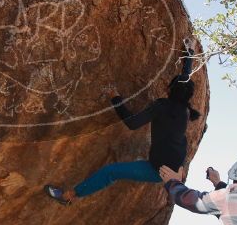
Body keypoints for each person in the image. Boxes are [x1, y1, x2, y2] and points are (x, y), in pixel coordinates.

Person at [44, 38, 201, 205]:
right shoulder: (185, 110)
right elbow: (185, 78)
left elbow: (132, 124)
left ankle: (68, 197)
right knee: (117, 170)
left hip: (158, 170)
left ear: (169, 89)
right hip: (175, 164)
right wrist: (189, 52)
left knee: (111, 172)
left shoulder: (161, 106)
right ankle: (176, 182)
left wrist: (116, 99)